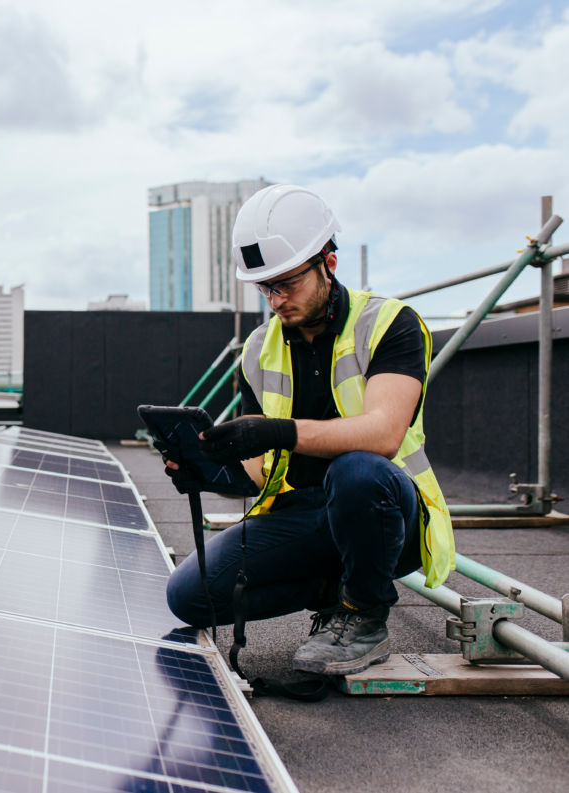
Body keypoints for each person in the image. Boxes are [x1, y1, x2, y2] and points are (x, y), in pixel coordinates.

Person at [164, 184, 454, 675]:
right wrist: (207, 471)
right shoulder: (258, 349)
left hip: (387, 515)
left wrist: (278, 431)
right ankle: (331, 591)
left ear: (328, 263)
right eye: (265, 288)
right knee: (190, 597)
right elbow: (258, 472)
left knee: (358, 472)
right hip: (304, 514)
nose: (276, 300)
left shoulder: (389, 323)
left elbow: (384, 434)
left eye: (287, 283)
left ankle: (363, 614)